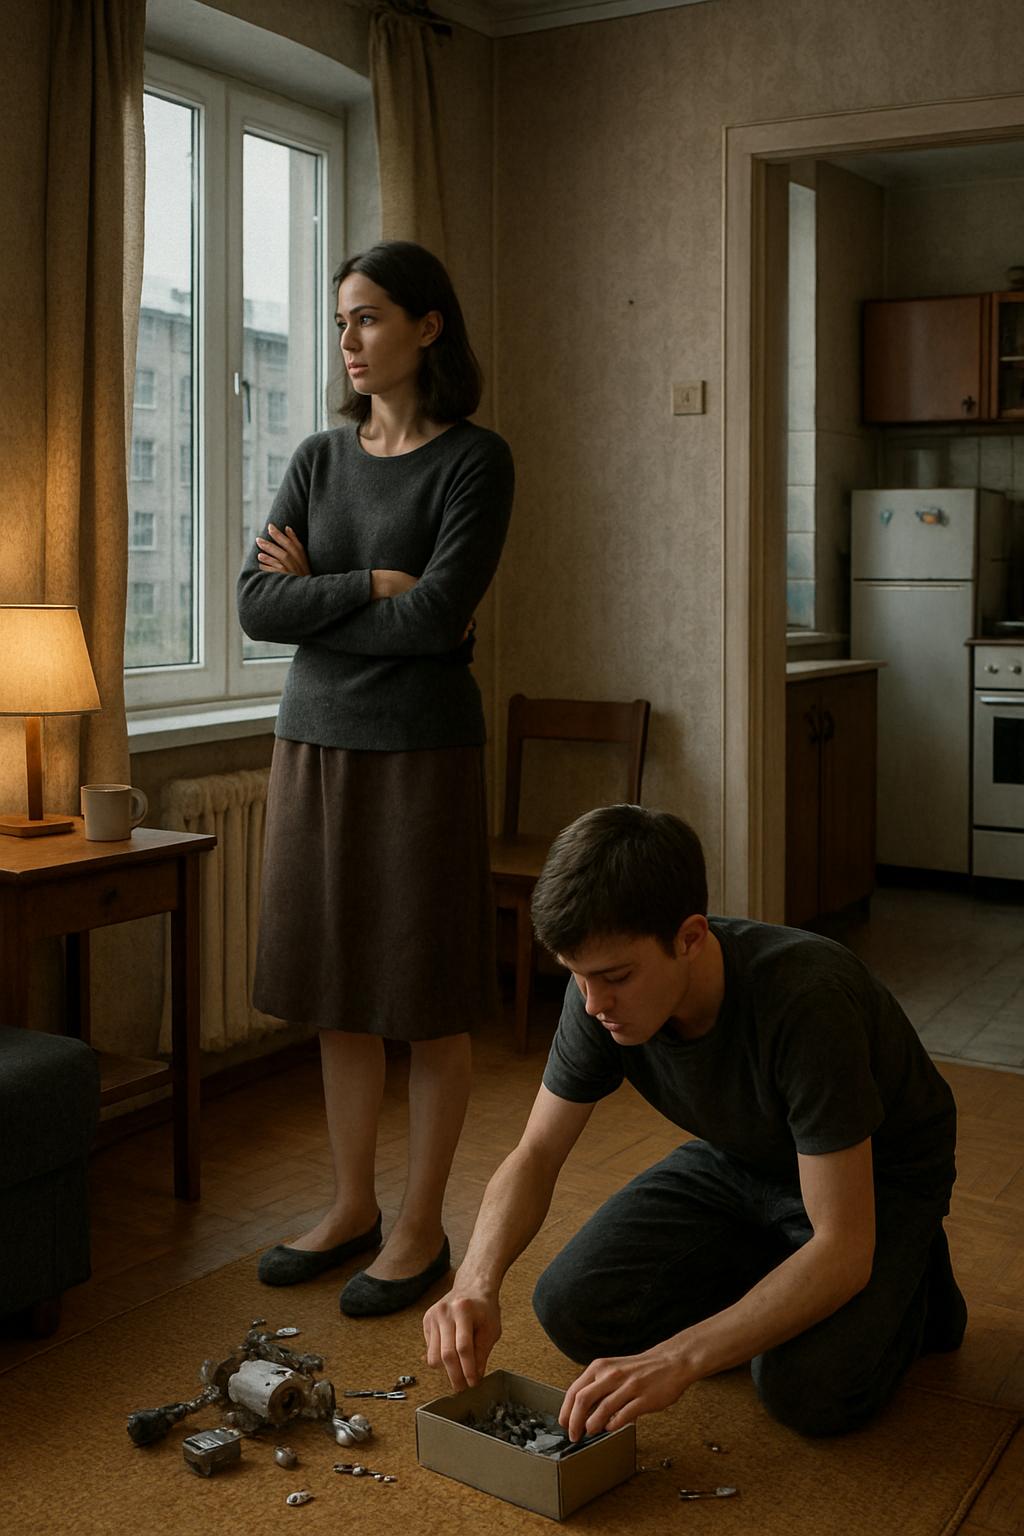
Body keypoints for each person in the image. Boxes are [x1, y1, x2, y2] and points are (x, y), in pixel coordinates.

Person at [423, 805, 966, 1438]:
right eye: (577, 977)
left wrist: (678, 1358)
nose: (593, 1004)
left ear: (689, 937)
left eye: (615, 977)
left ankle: (917, 1287)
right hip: (744, 1155)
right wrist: (475, 1281)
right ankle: (782, 1273)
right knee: (572, 1308)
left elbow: (842, 1249)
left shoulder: (807, 1001)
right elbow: (536, 1153)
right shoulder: (598, 994)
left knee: (803, 1387)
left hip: (880, 1179)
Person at [236, 240, 514, 1317]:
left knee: (425, 995)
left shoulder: (475, 461)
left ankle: (419, 1226)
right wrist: (371, 586)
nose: (349, 341)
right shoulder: (318, 458)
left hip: (423, 755)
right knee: (335, 993)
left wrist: (332, 600)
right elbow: (256, 607)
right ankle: (351, 1205)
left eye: (369, 318)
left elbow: (438, 618)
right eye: (342, 321)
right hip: (313, 745)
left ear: (426, 327)